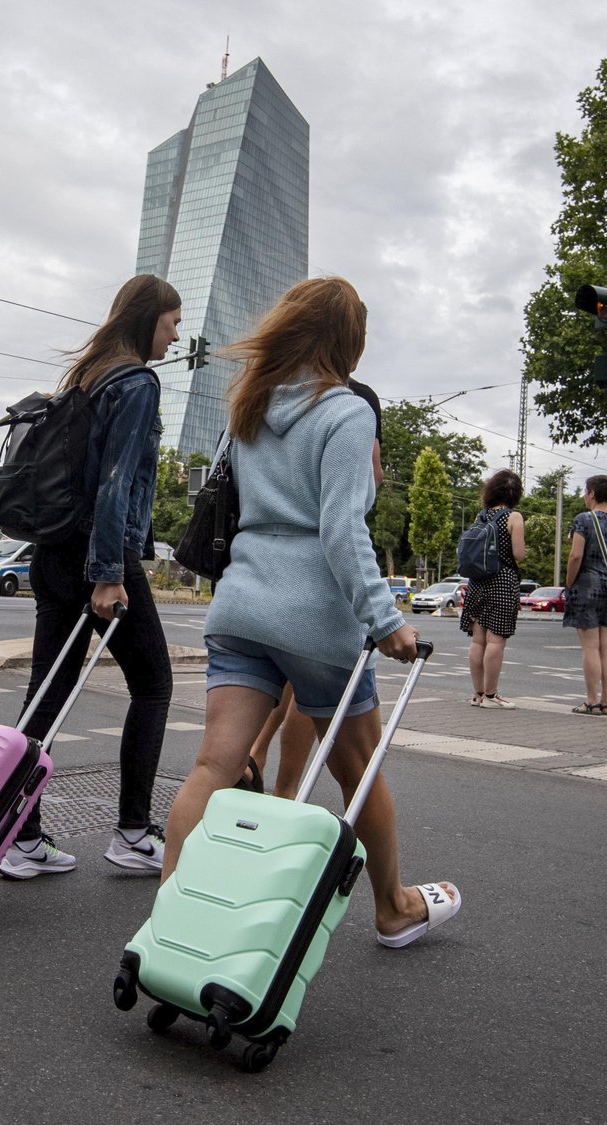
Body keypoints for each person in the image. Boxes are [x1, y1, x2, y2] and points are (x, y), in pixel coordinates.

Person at [161, 277, 461, 949]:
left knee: (213, 767)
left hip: (240, 604)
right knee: (359, 771)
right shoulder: (347, 411)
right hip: (314, 620)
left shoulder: (249, 405)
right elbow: (341, 530)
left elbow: (233, 497)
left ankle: (169, 913)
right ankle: (394, 906)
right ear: (348, 341)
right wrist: (387, 622)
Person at [0, 274, 181, 879]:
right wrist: (109, 573)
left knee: (45, 694)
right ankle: (132, 834)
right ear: (147, 319)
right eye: (171, 322)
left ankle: (19, 840)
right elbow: (115, 483)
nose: (177, 334)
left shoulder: (85, 375)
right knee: (154, 685)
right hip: (97, 558)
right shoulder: (134, 382)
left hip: (51, 552)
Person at [245, 377, 384, 798]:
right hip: (319, 578)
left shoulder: (262, 393)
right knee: (356, 758)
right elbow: (360, 491)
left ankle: (254, 752)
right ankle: (287, 794)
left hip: (254, 575)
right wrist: (385, 619)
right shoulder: (356, 401)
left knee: (276, 684)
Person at [563, 474, 607, 716]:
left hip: (587, 585)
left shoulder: (584, 520)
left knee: (590, 647)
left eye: (585, 491)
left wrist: (570, 582)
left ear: (591, 493)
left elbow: (575, 556)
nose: (584, 495)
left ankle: (591, 700)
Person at [460, 469, 526, 709]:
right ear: (515, 494)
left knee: (478, 641)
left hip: (477, 582)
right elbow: (518, 554)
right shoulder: (513, 517)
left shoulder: (482, 516)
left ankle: (477, 694)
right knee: (496, 641)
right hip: (502, 581)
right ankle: (491, 695)